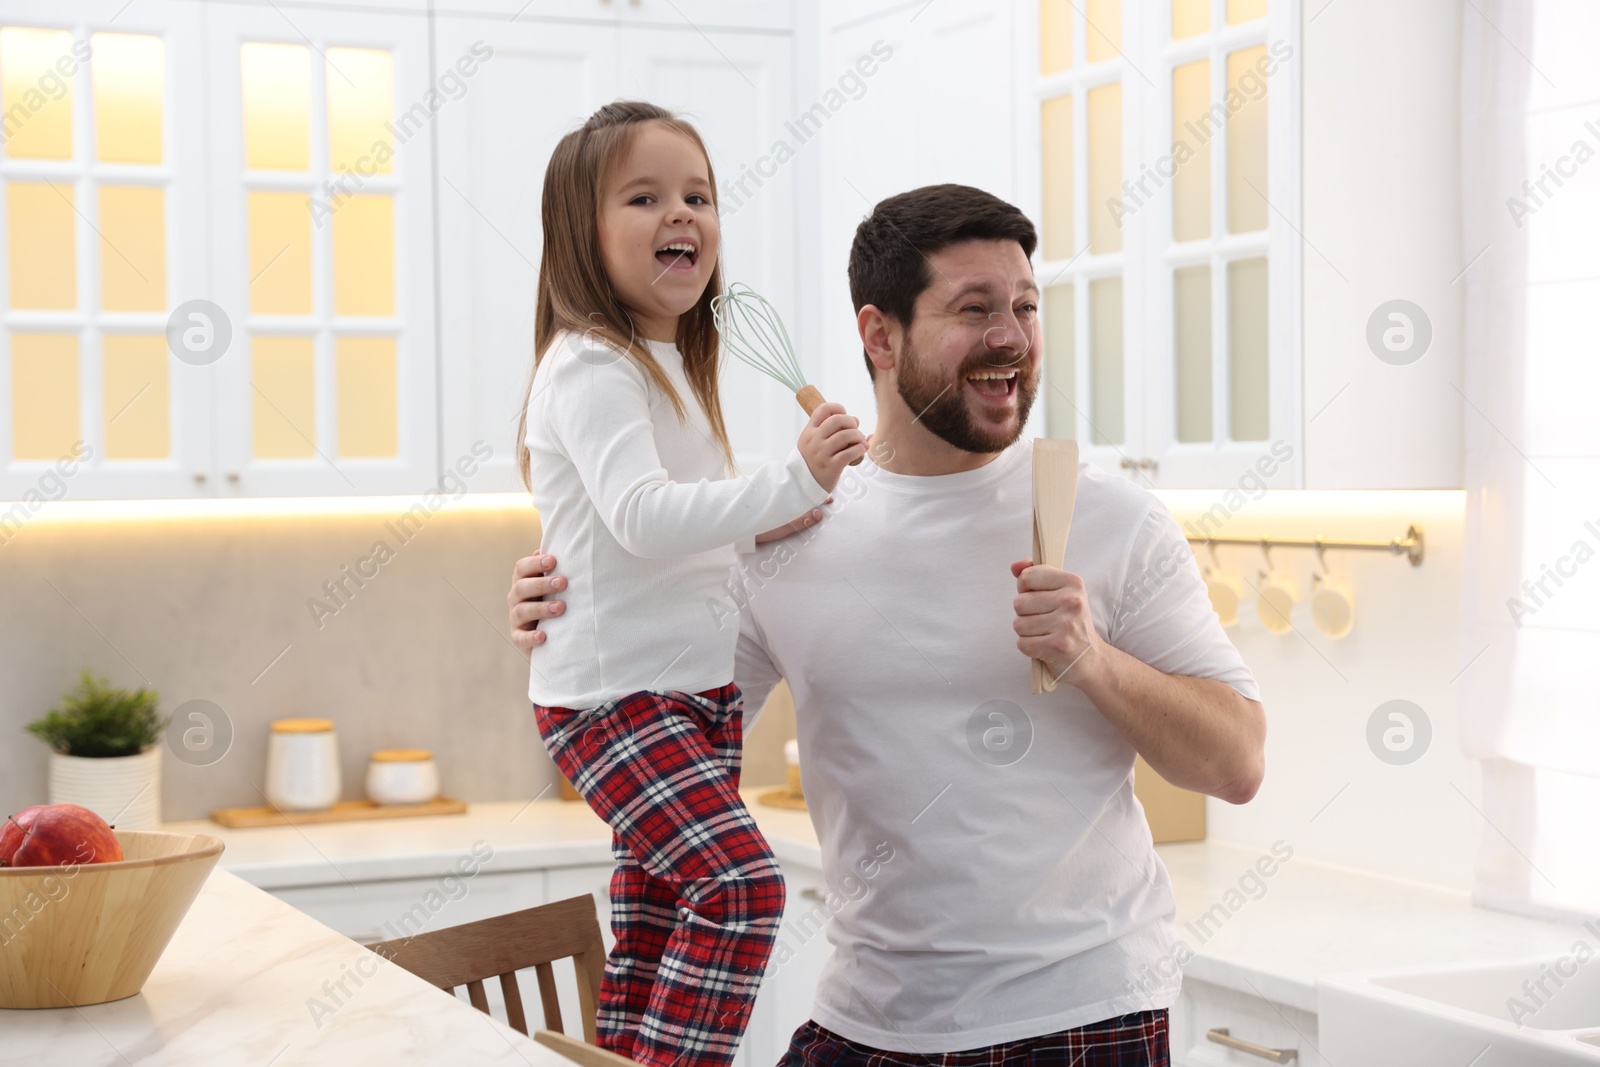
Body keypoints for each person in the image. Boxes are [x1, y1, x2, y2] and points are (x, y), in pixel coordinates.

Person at [510, 183, 1266, 1066]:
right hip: (868, 1015)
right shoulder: (786, 527)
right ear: (879, 335)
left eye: (1025, 306)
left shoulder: (1109, 518)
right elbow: (657, 745)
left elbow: (1236, 761)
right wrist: (581, 613)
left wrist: (1090, 657)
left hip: (1081, 1016)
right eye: (974, 308)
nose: (1012, 337)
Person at [517, 100, 867, 1067]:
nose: (683, 214)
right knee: (741, 888)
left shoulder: (666, 364)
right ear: (579, 237)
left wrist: (776, 514)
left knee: (655, 919)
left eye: (698, 196)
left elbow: (678, 535)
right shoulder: (592, 364)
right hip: (615, 698)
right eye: (645, 196)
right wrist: (791, 478)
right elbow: (640, 515)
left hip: (687, 698)